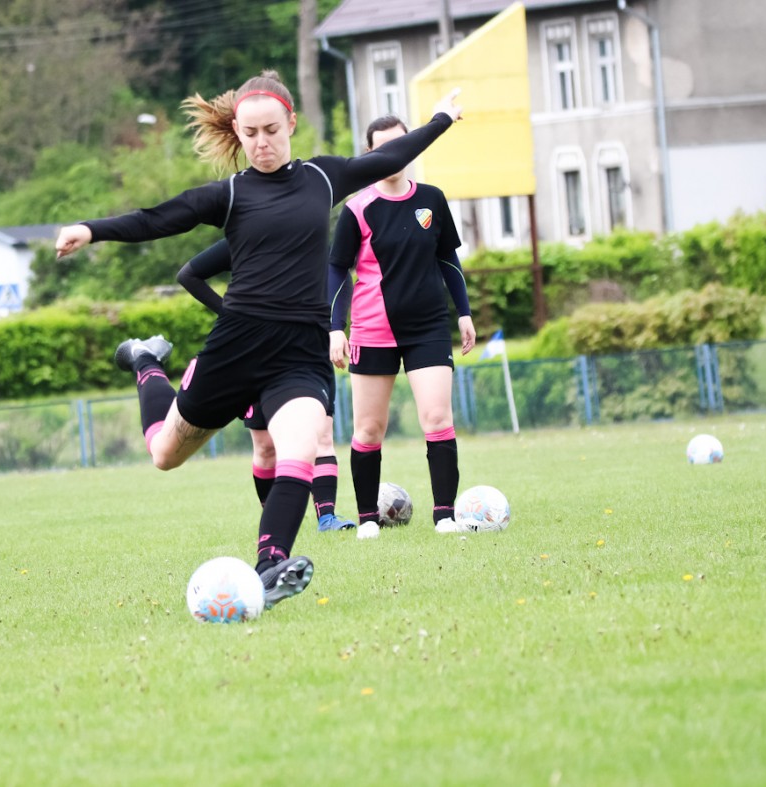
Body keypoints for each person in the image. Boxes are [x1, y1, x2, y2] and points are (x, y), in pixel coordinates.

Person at [55, 72, 462, 609]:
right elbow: (158, 219)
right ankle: (147, 360)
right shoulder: (229, 194)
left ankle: (270, 565)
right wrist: (91, 229)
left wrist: (441, 119)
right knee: (164, 455)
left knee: (299, 450)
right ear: (237, 133)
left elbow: (391, 156)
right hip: (237, 346)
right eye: (249, 134)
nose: (261, 143)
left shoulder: (323, 178)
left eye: (271, 130)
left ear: (291, 123)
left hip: (300, 351)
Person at [326, 115, 477, 538]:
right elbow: (336, 270)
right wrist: (335, 326)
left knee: (437, 418)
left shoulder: (432, 198)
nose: (394, 155)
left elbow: (447, 258)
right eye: (383, 148)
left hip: (428, 327)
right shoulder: (357, 208)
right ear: (369, 153)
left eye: (400, 144)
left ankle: (444, 516)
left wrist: (464, 311)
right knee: (369, 429)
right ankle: (367, 520)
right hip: (373, 330)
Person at [176, 239, 357, 532]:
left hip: (306, 350)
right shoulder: (246, 239)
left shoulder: (307, 235)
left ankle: (327, 517)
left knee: (321, 434)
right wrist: (232, 317)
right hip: (253, 353)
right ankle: (275, 520)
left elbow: (338, 274)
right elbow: (188, 275)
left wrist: (335, 327)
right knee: (265, 446)